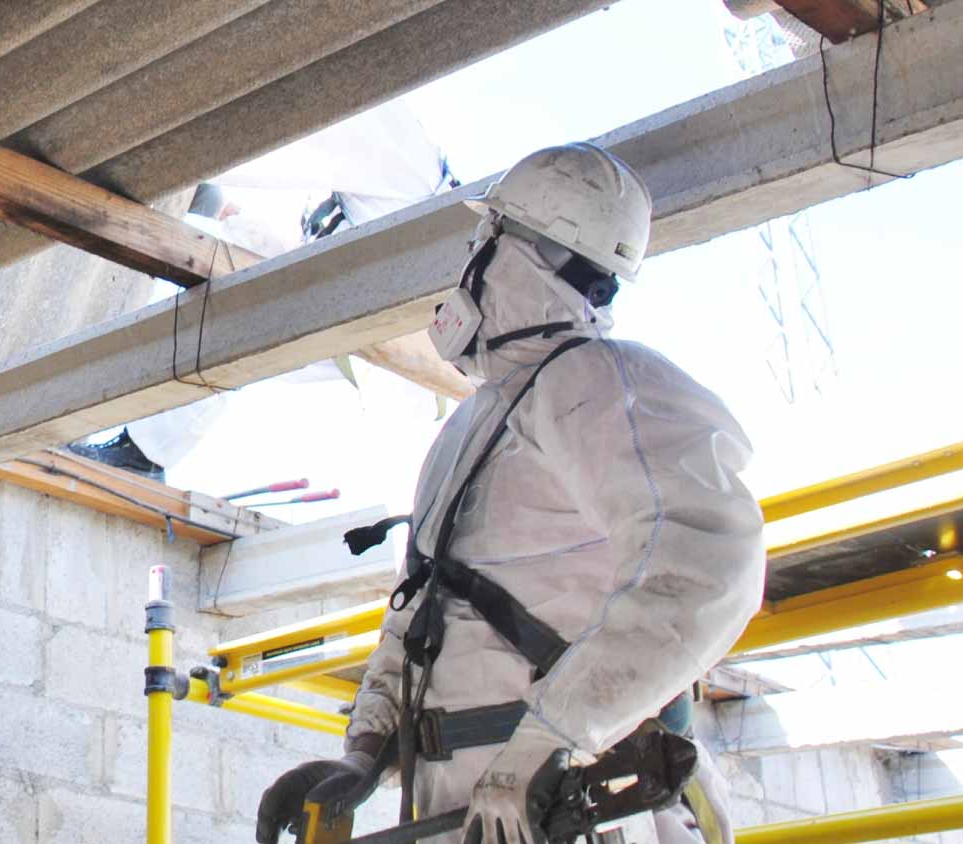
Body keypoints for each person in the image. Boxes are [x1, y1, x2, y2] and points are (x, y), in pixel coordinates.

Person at [253, 144, 766, 844]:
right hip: (470, 807)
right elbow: (420, 609)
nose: (468, 261)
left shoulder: (597, 384)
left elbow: (710, 567)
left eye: (479, 238)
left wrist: (554, 737)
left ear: (507, 251)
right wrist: (364, 753)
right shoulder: (475, 424)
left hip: (574, 808)